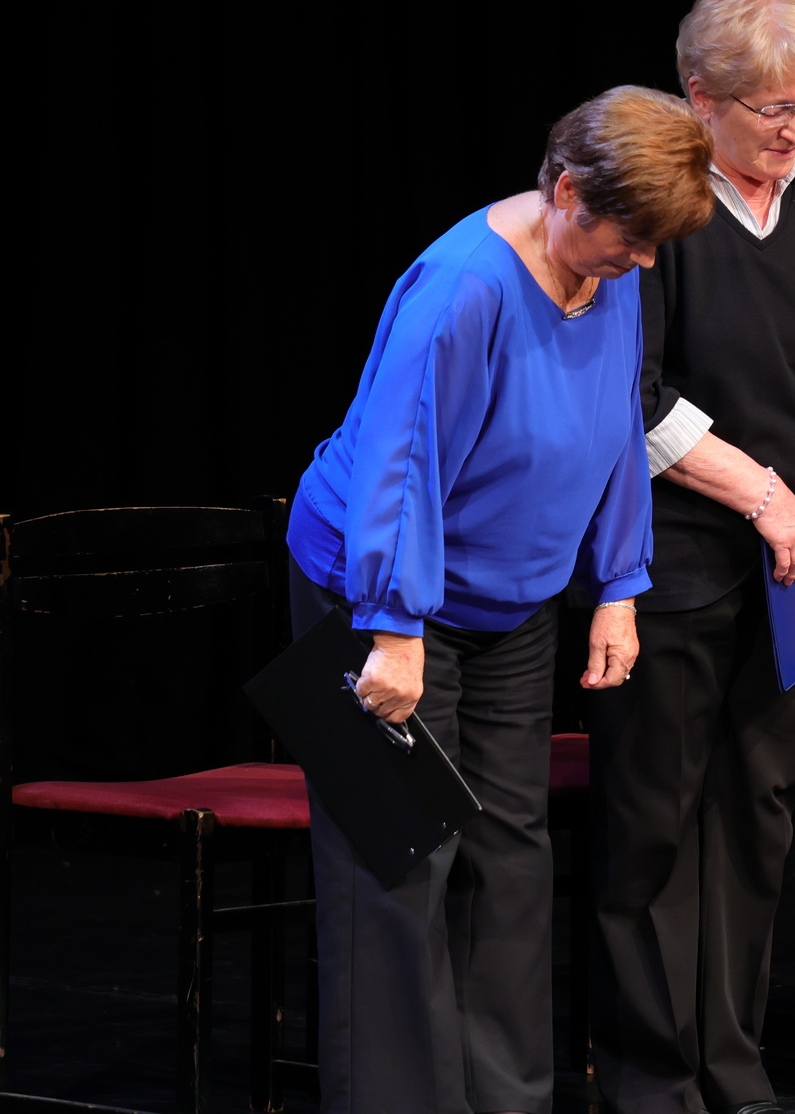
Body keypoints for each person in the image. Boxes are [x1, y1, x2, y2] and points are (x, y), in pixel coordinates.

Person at [285, 85, 714, 1114]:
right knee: (396, 861)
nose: (643, 261)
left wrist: (619, 583)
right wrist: (392, 628)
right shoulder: (462, 289)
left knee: (509, 851)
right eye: (631, 237)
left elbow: (615, 426)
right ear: (565, 191)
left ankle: (506, 1101)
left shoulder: (607, 268)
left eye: (655, 244)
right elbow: (400, 463)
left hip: (513, 601)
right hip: (377, 590)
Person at [586, 0, 795, 1114]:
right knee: (652, 823)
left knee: (757, 821)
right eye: (773, 107)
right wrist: (762, 494)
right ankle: (649, 1075)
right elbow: (632, 392)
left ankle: (732, 1066)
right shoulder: (662, 213)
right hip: (668, 560)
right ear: (700, 97)